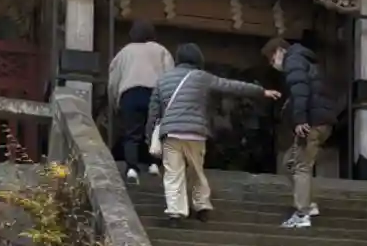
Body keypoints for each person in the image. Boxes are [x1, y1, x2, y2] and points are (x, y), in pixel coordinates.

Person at [147, 42, 280, 223]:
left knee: (173, 173)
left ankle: (175, 213)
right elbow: (231, 86)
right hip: (195, 133)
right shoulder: (202, 77)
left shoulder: (163, 80)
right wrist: (261, 92)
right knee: (196, 171)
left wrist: (150, 137)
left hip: (170, 133)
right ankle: (201, 206)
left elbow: (154, 112)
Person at [266, 33, 334, 229]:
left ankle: (302, 213)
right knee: (289, 163)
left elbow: (300, 91)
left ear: (280, 51)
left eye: (272, 58)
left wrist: (300, 120)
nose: (273, 64)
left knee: (300, 166)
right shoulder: (307, 61)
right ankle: (308, 204)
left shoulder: (294, 61)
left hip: (311, 122)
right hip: (322, 121)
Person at [107, 19, 173, 181]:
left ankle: (132, 168)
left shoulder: (124, 52)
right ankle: (153, 164)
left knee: (131, 133)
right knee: (154, 131)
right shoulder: (161, 50)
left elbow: (113, 80)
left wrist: (114, 101)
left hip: (129, 93)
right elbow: (170, 75)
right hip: (154, 92)